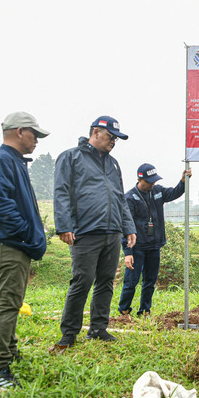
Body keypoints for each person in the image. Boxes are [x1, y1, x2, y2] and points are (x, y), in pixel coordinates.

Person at [51, 116, 136, 352]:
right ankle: (68, 333)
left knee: (106, 281)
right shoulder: (71, 157)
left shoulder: (114, 163)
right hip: (85, 232)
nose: (114, 142)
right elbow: (61, 191)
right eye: (111, 137)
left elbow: (120, 198)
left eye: (117, 139)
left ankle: (98, 328)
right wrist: (64, 225)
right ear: (96, 132)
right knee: (82, 281)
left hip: (112, 232)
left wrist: (128, 227)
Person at [0, 112, 50, 389]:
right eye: (34, 135)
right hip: (7, 244)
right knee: (7, 305)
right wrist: (25, 232)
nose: (36, 141)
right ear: (20, 131)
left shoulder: (12, 161)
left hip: (12, 244)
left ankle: (9, 352)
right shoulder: (2, 160)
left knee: (12, 302)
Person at [118, 164, 192, 316]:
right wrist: (128, 252)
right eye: (149, 181)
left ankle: (145, 310)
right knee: (131, 281)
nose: (152, 184)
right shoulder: (130, 198)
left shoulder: (157, 191)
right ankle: (124, 311)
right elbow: (125, 226)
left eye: (154, 181)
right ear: (139, 179)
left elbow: (174, 193)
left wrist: (183, 182)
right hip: (137, 248)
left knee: (150, 281)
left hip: (154, 246)